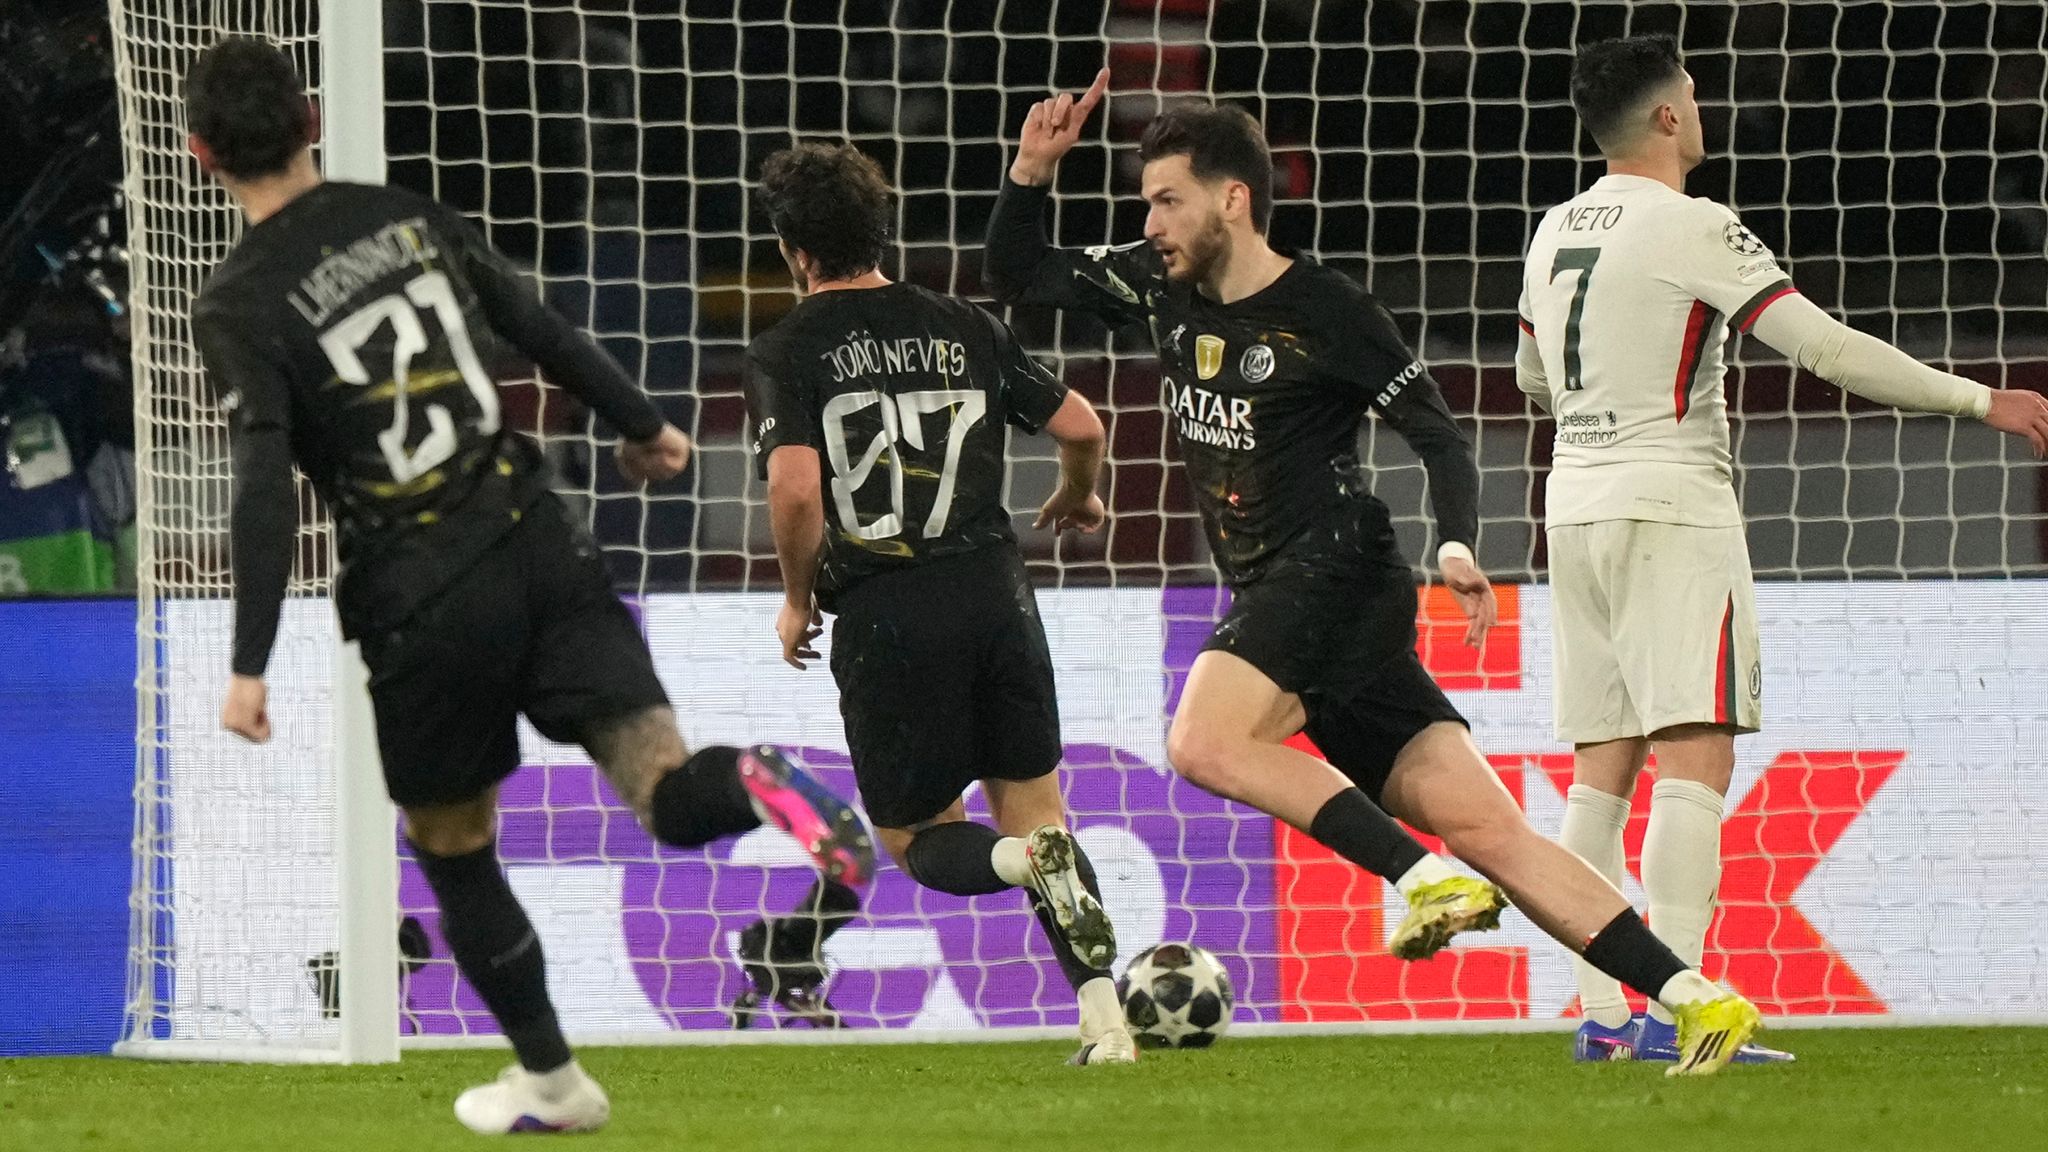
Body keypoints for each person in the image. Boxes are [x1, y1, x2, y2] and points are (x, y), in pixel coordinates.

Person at [987, 71, 1765, 1074]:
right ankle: (1694, 997)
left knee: (1201, 742)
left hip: (1332, 568)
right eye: (1146, 203)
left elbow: (1435, 432)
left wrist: (1452, 539)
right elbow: (1019, 273)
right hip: (1303, 605)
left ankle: (1415, 878)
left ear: (1233, 199)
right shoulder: (1155, 283)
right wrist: (1028, 171)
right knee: (1491, 829)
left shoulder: (1327, 310)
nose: (1151, 220)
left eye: (1167, 199)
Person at [185, 39, 874, 1133]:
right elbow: (535, 326)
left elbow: (265, 483)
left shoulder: (236, 302)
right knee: (664, 788)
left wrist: (248, 663)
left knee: (453, 845)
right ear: (312, 119)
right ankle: (757, 778)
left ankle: (553, 1077)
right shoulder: (405, 216)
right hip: (538, 540)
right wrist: (644, 423)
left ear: (200, 153)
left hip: (419, 596)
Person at [1522, 35, 2048, 1064]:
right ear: (1667, 116)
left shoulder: (1550, 232)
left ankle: (1600, 1015)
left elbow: (1531, 382)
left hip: (1570, 503)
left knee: (1599, 773)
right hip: (1669, 501)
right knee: (1694, 757)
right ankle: (1686, 1017)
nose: (1701, 106)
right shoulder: (1693, 226)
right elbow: (1820, 348)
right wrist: (1979, 397)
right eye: (1692, 92)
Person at [745, 141, 1137, 1065]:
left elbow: (797, 491)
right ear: (881, 230)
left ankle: (1013, 864)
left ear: (794, 252)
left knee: (919, 839)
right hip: (999, 595)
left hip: (889, 609)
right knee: (1041, 813)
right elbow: (1082, 425)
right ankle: (1106, 1021)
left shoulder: (786, 347)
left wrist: (797, 599)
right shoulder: (964, 323)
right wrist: (1080, 491)